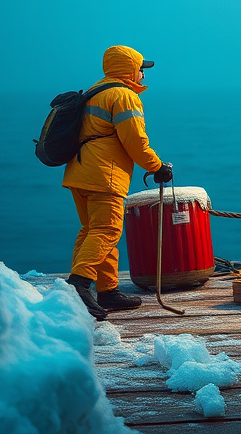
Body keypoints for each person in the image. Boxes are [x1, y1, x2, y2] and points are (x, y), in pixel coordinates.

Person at [63, 45, 172, 321]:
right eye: (140, 70)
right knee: (108, 230)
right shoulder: (123, 96)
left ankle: (107, 291)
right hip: (104, 174)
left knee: (92, 230)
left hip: (79, 172)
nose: (143, 76)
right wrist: (157, 166)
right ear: (129, 70)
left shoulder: (93, 93)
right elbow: (135, 140)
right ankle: (79, 285)